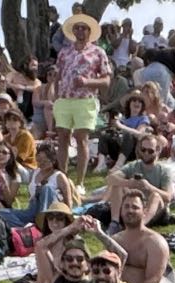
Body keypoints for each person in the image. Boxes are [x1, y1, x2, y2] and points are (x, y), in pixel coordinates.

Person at [52, 10, 113, 184]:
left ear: (89, 32)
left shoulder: (98, 52)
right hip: (64, 99)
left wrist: (87, 81)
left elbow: (107, 80)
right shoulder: (64, 52)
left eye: (83, 28)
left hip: (85, 100)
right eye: (77, 28)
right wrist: (56, 95)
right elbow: (57, 75)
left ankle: (79, 183)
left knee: (81, 139)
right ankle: (62, 180)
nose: (80, 31)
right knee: (62, 137)